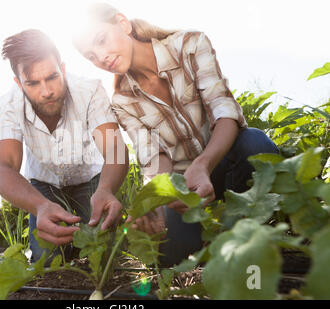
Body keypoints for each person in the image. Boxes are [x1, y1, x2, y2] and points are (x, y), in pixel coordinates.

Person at [73, 3, 280, 266]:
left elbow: (225, 114)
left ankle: (237, 234)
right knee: (169, 255)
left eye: (101, 40)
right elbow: (154, 158)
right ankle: (210, 238)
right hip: (186, 189)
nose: (101, 57)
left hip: (224, 164)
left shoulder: (190, 45)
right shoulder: (122, 100)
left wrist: (203, 164)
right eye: (91, 55)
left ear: (123, 23)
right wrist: (154, 204)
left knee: (256, 144)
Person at [0, 29, 129, 262]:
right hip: (44, 185)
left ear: (63, 69)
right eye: (33, 83)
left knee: (108, 251)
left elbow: (115, 149)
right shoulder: (6, 107)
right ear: (18, 82)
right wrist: (40, 206)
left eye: (52, 77)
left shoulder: (90, 90)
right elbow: (3, 168)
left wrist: (105, 190)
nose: (46, 91)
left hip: (92, 179)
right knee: (46, 260)